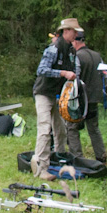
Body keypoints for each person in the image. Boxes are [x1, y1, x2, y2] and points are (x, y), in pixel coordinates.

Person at [30, 18, 82, 181]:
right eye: (74, 31)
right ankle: (40, 167)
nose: (76, 34)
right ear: (66, 31)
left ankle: (59, 161)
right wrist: (62, 73)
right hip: (43, 93)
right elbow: (42, 70)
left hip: (58, 94)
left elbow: (75, 69)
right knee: (45, 129)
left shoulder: (72, 50)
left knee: (60, 130)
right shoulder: (53, 48)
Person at [66, 30, 107, 164]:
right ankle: (101, 156)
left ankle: (77, 157)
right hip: (94, 98)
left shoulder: (77, 56)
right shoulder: (97, 56)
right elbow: (105, 76)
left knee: (71, 128)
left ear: (75, 41)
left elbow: (75, 77)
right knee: (94, 128)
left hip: (80, 99)